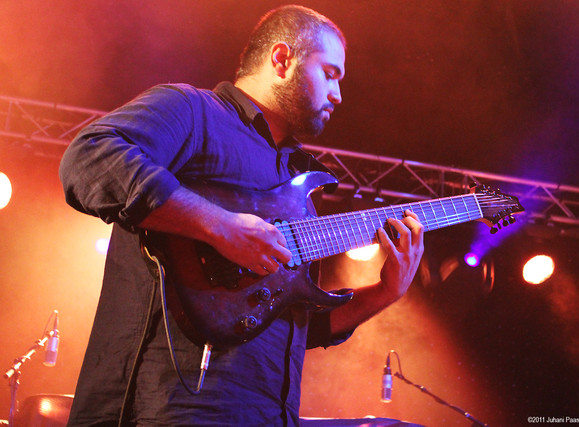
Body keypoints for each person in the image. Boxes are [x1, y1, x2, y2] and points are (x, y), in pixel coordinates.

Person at [59, 4, 424, 426]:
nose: (339, 95)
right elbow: (88, 158)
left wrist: (384, 293)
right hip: (166, 409)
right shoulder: (194, 112)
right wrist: (220, 227)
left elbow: (285, 326)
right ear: (282, 60)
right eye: (330, 73)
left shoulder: (296, 179)